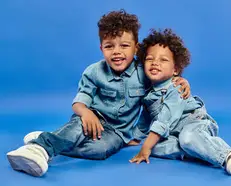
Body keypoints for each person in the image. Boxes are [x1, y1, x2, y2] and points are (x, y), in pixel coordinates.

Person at [6, 9, 191, 177]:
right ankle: (38, 150)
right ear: (101, 48)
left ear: (136, 48)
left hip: (118, 133)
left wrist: (180, 80)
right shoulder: (94, 72)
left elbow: (163, 81)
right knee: (77, 128)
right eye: (109, 46)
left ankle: (50, 138)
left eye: (124, 46)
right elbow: (79, 102)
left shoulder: (144, 72)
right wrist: (86, 113)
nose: (117, 52)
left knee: (100, 151)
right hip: (91, 117)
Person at [129, 28, 231, 176]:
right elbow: (145, 120)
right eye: (150, 59)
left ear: (175, 69)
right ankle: (198, 151)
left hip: (195, 124)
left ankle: (229, 157)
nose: (155, 63)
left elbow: (165, 118)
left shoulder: (177, 88)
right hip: (175, 132)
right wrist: (135, 138)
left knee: (186, 138)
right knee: (156, 148)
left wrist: (145, 148)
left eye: (163, 60)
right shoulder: (149, 94)